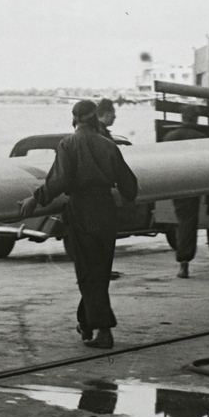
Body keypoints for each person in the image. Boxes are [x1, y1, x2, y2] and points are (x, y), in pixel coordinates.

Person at [19, 99, 139, 349]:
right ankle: (87, 324)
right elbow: (129, 185)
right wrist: (125, 200)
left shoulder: (68, 144)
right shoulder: (108, 145)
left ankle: (103, 330)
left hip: (82, 210)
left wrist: (35, 198)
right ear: (95, 118)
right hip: (105, 210)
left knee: (88, 273)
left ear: (74, 119)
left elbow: (59, 181)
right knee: (100, 272)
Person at [162, 108, 206, 279]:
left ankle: (183, 261)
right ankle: (184, 261)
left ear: (182, 117)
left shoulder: (169, 137)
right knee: (189, 221)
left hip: (176, 184)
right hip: (193, 184)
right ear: (196, 118)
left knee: (182, 220)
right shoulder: (201, 138)